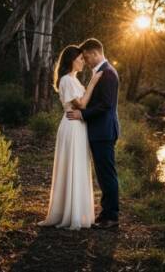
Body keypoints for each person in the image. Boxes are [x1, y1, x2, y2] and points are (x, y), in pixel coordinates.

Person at [38, 45, 103, 230]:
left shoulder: (74, 80)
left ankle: (77, 211)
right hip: (71, 126)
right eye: (80, 59)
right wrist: (92, 83)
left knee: (79, 166)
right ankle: (67, 213)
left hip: (79, 126)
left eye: (84, 58)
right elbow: (81, 104)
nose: (84, 61)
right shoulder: (66, 80)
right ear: (71, 60)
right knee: (71, 166)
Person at [66, 38, 121, 229]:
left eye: (87, 56)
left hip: (104, 131)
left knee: (107, 175)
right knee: (103, 174)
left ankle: (111, 217)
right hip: (100, 131)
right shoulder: (101, 72)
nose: (86, 60)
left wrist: (82, 114)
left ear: (95, 52)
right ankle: (106, 213)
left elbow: (105, 106)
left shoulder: (107, 73)